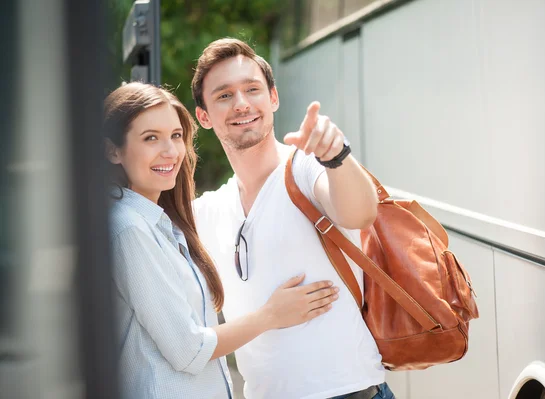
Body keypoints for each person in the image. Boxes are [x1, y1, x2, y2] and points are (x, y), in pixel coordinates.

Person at [103, 82, 340, 399]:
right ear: (112, 151)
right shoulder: (130, 228)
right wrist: (271, 315)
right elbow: (188, 349)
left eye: (176, 136)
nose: (171, 151)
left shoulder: (161, 224)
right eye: (150, 138)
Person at [191, 39, 396, 399]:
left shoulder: (305, 168)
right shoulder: (211, 209)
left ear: (273, 98)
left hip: (349, 392)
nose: (241, 103)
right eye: (224, 95)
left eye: (252, 89)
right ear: (203, 116)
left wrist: (337, 157)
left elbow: (361, 213)